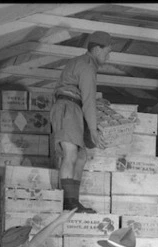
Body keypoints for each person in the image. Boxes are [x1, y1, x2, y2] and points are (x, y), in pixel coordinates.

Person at [50, 30, 112, 213]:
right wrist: (93, 130)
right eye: (107, 52)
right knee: (70, 154)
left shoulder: (85, 65)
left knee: (82, 156)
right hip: (67, 109)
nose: (108, 57)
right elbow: (87, 100)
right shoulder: (86, 66)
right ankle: (68, 202)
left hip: (73, 109)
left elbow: (84, 96)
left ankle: (73, 201)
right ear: (96, 49)